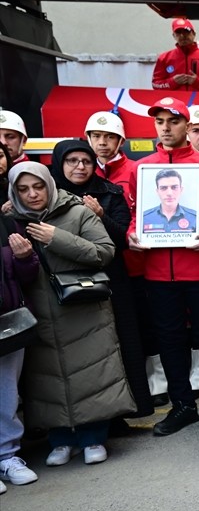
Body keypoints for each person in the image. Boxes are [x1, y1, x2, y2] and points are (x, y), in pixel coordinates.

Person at [6, 162, 135, 466]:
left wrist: (56, 238)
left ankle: (93, 437)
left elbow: (104, 252)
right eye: (23, 189)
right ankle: (61, 439)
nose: (32, 194)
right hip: (37, 312)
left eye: (38, 186)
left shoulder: (76, 212)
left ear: (49, 185)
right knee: (47, 377)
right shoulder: (9, 221)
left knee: (91, 372)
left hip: (83, 308)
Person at [129, 97, 199, 437]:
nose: (166, 127)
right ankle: (182, 405)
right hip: (159, 272)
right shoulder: (143, 168)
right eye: (160, 121)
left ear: (187, 127)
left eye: (173, 121)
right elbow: (135, 215)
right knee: (169, 338)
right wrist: (132, 234)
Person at [50, 139, 155, 417]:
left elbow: (124, 238)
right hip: (66, 280)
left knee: (124, 343)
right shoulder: (48, 194)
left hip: (112, 278)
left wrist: (101, 214)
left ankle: (131, 408)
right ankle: (95, 418)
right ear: (60, 163)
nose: (80, 167)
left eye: (86, 161)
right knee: (85, 351)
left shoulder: (110, 192)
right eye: (72, 161)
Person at [0, 146, 40, 490]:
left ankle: (7, 456)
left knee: (6, 391)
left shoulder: (9, 216)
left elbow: (25, 274)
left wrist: (26, 257)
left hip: (8, 317)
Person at [151, 17, 199, 91]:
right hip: (174, 102)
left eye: (186, 31)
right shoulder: (164, 58)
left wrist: (197, 82)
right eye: (178, 32)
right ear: (174, 36)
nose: (182, 36)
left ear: (194, 34)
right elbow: (155, 84)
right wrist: (172, 82)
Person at [140, 169, 198, 233]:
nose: (169, 193)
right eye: (163, 188)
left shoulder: (195, 217)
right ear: (157, 191)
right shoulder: (144, 217)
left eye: (174, 187)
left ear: (181, 190)